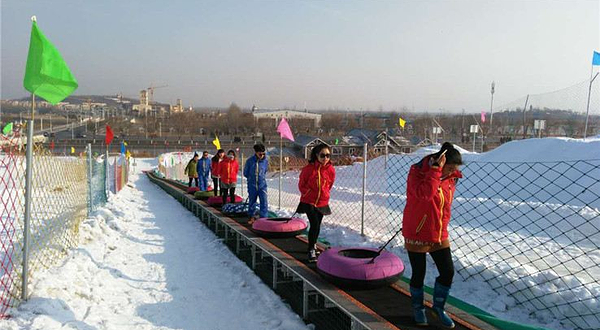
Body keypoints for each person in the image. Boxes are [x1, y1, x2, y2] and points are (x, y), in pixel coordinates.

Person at [402, 142, 463, 328]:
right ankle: (418, 308)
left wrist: (443, 173)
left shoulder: (450, 178)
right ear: (440, 162)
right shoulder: (417, 173)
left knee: (447, 271)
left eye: (455, 169)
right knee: (418, 273)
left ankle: (438, 307)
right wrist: (435, 172)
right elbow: (424, 195)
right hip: (417, 230)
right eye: (450, 168)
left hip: (438, 232)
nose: (452, 172)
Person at [296, 144, 335, 262]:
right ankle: (311, 249)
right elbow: (301, 185)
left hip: (322, 202)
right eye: (323, 155)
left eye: (328, 155)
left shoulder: (331, 169)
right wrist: (308, 193)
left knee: (317, 225)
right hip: (309, 201)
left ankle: (313, 244)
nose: (325, 158)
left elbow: (330, 184)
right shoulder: (308, 169)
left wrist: (325, 193)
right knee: (315, 224)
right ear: (316, 155)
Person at [244, 143, 268, 224]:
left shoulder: (265, 161)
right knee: (252, 201)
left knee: (264, 201)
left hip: (262, 185)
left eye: (263, 153)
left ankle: (263, 218)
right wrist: (251, 178)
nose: (262, 155)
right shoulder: (250, 161)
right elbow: (245, 173)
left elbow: (265, 171)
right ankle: (251, 216)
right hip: (252, 185)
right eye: (260, 153)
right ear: (256, 153)